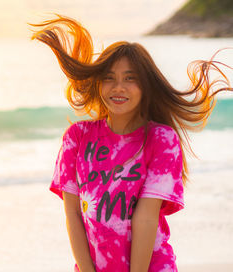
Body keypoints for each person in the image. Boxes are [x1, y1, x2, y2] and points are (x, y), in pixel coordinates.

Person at [29, 14, 232, 272]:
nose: (118, 87)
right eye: (109, 77)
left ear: (146, 85)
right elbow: (73, 214)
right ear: (98, 83)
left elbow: (146, 218)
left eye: (130, 78)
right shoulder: (77, 138)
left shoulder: (162, 140)